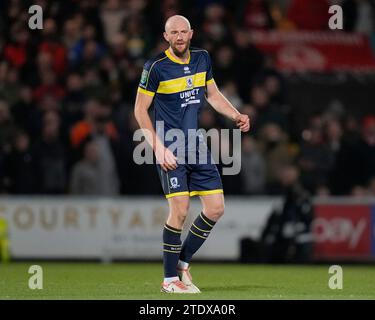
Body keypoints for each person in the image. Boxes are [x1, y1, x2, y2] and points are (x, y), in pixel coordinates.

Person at [134, 15, 250, 293]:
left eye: (183, 31)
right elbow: (139, 110)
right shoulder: (156, 67)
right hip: (170, 148)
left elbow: (212, 93)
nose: (179, 36)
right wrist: (158, 148)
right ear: (166, 36)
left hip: (196, 146)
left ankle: (182, 263)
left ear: (191, 33)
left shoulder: (202, 58)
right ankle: (168, 280)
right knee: (181, 210)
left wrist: (235, 114)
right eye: (173, 32)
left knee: (215, 208)